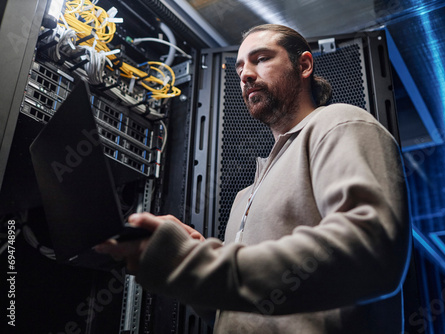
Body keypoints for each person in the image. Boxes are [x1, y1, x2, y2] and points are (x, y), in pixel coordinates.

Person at [96, 24, 411, 333]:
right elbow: (238, 316)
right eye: (239, 68)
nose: (246, 74)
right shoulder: (245, 196)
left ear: (303, 65)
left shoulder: (339, 124)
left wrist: (198, 262)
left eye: (261, 59)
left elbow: (371, 255)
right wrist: (187, 254)